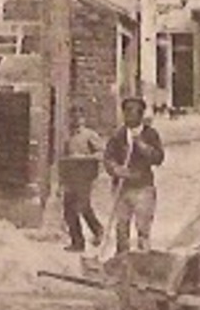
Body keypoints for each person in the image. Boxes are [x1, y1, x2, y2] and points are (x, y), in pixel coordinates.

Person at [103, 96, 165, 254]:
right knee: (121, 228)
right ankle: (121, 262)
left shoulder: (150, 134)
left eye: (134, 111)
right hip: (121, 189)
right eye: (127, 111)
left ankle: (143, 262)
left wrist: (142, 146)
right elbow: (108, 158)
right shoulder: (118, 135)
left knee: (143, 228)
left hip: (143, 187)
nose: (130, 114)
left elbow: (158, 158)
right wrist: (115, 169)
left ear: (141, 114)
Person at [60, 111, 105, 252]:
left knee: (82, 206)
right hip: (71, 177)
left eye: (78, 117)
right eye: (72, 118)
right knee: (68, 210)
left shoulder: (89, 135)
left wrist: (84, 157)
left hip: (85, 176)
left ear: (83, 120)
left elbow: (102, 154)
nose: (75, 121)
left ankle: (97, 229)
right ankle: (77, 243)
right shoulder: (66, 137)